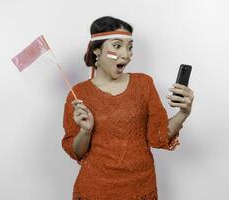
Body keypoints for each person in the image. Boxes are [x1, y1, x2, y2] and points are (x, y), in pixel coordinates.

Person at [62, 16, 194, 200]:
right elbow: (77, 152)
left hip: (141, 188)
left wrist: (184, 113)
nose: (127, 54)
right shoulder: (78, 94)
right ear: (97, 50)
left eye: (130, 47)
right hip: (95, 190)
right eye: (117, 46)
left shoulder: (144, 84)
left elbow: (158, 137)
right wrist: (85, 130)